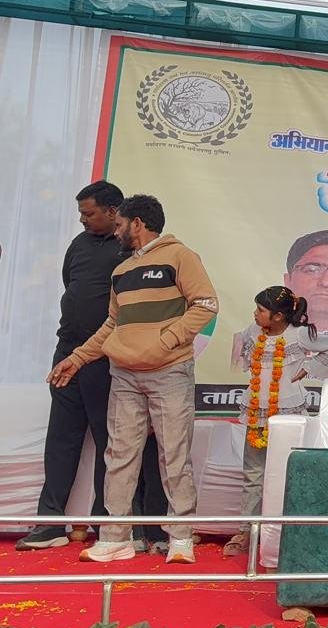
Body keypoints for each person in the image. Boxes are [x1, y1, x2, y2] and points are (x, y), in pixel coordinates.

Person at [48, 194, 219, 564]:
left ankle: (181, 537)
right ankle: (116, 538)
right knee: (119, 455)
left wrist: (166, 341)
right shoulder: (121, 270)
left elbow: (206, 304)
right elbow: (112, 323)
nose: (117, 231)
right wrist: (76, 358)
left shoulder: (180, 256)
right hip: (124, 374)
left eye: (121, 224)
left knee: (174, 455)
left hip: (169, 372)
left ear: (137, 224)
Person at [18, 182, 124, 550]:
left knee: (109, 442)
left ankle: (105, 524)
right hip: (66, 352)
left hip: (105, 357)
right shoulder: (78, 244)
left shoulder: (130, 249)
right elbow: (71, 286)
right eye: (80, 213)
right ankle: (49, 524)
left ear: (113, 211)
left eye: (88, 213)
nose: (82, 219)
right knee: (60, 438)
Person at [223, 286, 328, 557]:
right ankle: (247, 531)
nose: (255, 314)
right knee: (253, 474)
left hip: (288, 415)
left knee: (289, 472)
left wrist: (309, 368)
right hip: (257, 411)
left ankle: (289, 530)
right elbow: (242, 349)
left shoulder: (299, 334)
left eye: (260, 310)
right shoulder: (253, 331)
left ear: (278, 316)